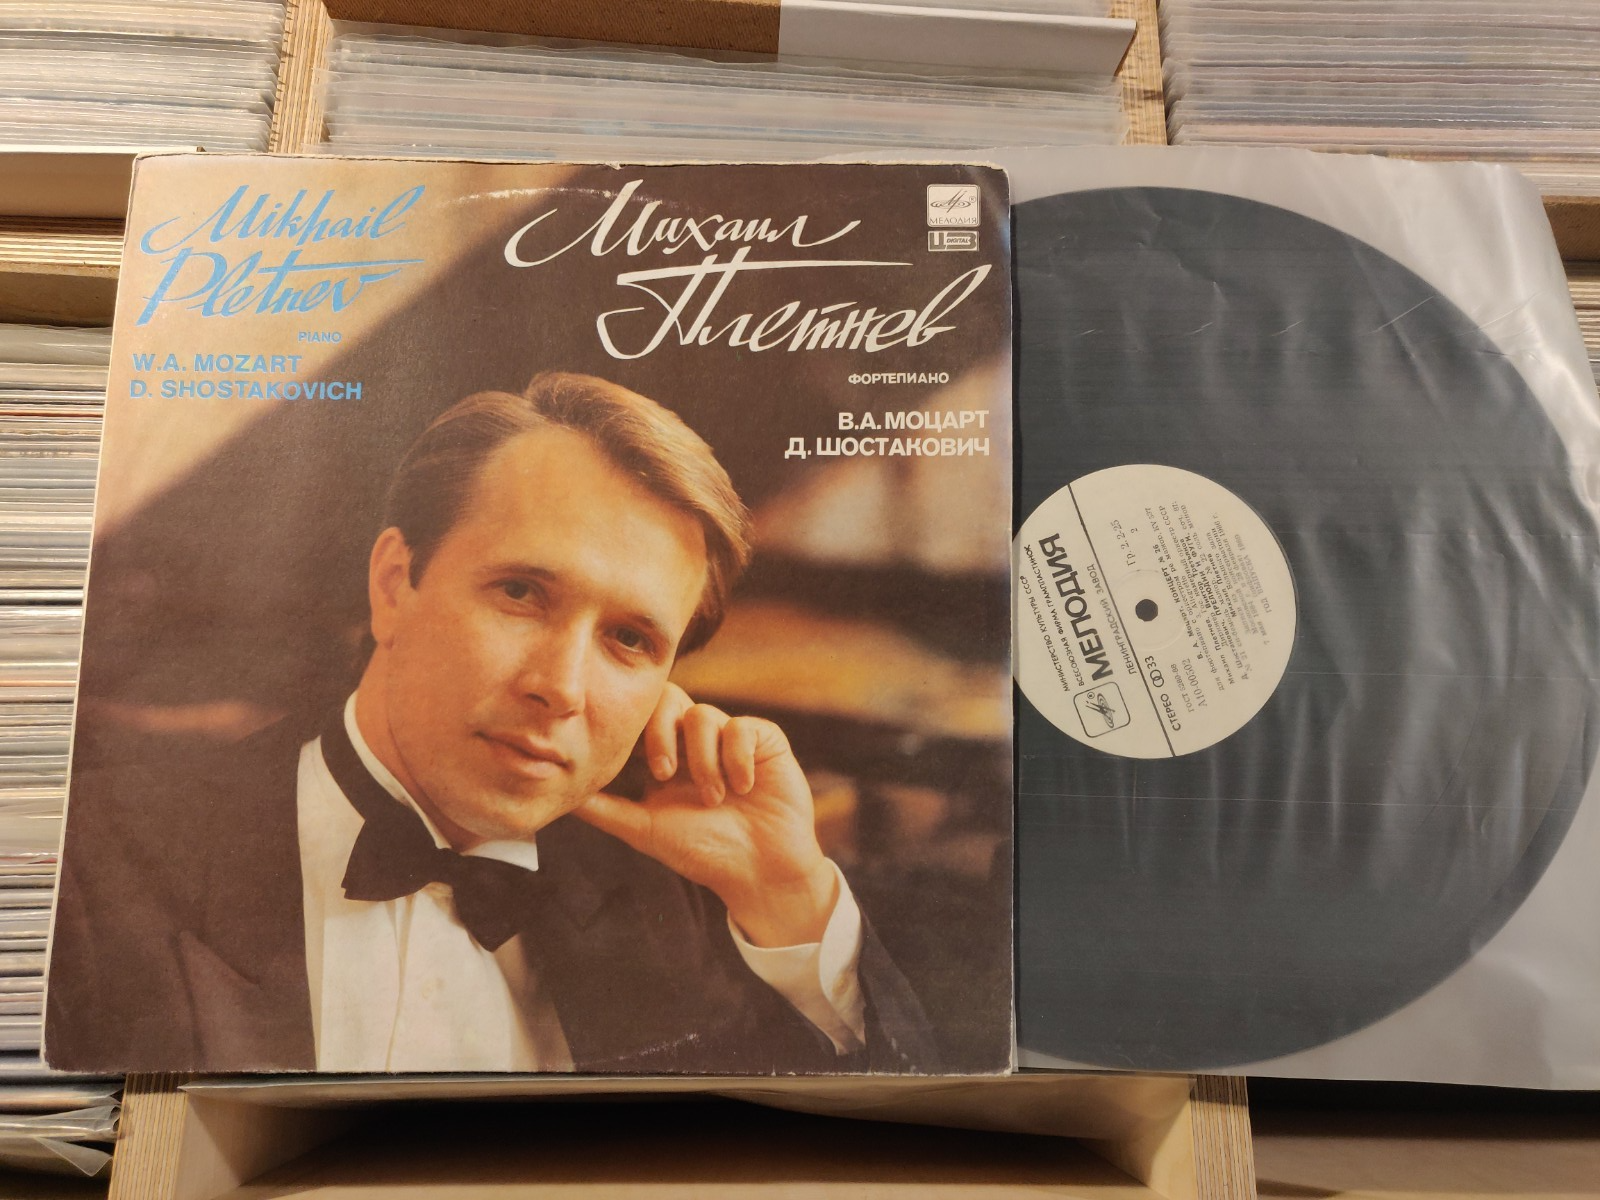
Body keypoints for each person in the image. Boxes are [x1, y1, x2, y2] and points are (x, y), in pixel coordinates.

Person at [45, 372, 936, 1074]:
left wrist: (788, 900)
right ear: (395, 585)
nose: (561, 688)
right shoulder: (80, 866)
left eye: (629, 640)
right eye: (520, 592)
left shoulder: (693, 904)